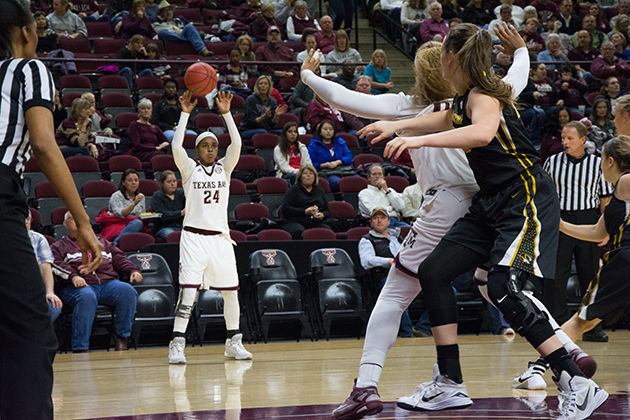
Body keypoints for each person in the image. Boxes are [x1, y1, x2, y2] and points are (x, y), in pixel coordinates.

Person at [303, 27, 597, 419]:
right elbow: (455, 109)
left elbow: (480, 130)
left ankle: (573, 378)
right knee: (444, 274)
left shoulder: (477, 96)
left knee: (481, 288)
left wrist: (310, 76)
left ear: (451, 59)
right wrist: (399, 127)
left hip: (505, 197)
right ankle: (457, 380)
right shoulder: (461, 100)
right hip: (486, 202)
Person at [0, 2, 101, 417]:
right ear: (25, 32)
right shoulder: (28, 68)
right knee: (30, 330)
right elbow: (43, 143)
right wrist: (82, 220)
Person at [168, 90, 252, 363]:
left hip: (220, 239)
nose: (210, 149)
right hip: (193, 237)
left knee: (231, 291)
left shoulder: (224, 169)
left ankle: (234, 341)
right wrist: (185, 114)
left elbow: (237, 144)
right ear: (197, 150)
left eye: (213, 146)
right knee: (188, 292)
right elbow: (176, 147)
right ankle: (177, 343)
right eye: (205, 146)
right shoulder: (189, 169)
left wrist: (227, 114)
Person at [558, 135, 630, 356]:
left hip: (624, 262)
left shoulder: (627, 180)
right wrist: (558, 224)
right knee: (586, 321)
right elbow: (598, 232)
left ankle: (539, 367)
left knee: (581, 320)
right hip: (622, 260)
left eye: (601, 159)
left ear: (610, 161)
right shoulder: (619, 191)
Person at [543, 121, 612, 330]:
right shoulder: (551, 162)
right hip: (560, 220)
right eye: (563, 137)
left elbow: (605, 198)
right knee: (556, 273)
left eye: (570, 138)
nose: (565, 142)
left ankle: (591, 325)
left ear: (583, 140)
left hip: (589, 219)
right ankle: (557, 324)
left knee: (589, 273)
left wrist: (606, 228)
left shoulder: (596, 163)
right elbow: (545, 195)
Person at [53, 211, 142, 352]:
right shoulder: (59, 246)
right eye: (72, 219)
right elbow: (56, 264)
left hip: (108, 283)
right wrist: (73, 276)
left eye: (80, 218)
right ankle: (80, 347)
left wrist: (133, 270)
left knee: (127, 291)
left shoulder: (102, 242)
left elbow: (120, 258)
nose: (77, 221)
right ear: (65, 224)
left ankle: (121, 338)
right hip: (77, 287)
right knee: (87, 296)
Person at [358, 207, 412, 337]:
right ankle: (407, 332)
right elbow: (367, 261)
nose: (379, 221)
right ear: (371, 222)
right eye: (375, 218)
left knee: (443, 289)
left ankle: (424, 327)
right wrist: (388, 261)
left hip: (406, 274)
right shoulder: (367, 240)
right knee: (399, 291)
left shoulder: (398, 237)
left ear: (388, 221)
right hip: (383, 276)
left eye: (382, 218)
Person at [26, 210, 62, 322]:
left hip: (34, 291)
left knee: (53, 308)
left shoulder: (38, 239)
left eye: (27, 219)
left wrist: (49, 292)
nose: (24, 222)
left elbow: (45, 267)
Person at [280, 164, 331, 238]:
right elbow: (285, 208)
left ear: (315, 177)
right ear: (300, 177)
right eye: (305, 173)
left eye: (311, 174)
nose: (308, 176)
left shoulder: (320, 191)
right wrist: (304, 211)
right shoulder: (294, 190)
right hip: (295, 221)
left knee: (327, 231)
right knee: (299, 232)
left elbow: (327, 211)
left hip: (315, 222)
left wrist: (322, 215)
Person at [306, 119, 353, 192]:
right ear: (320, 131)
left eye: (331, 129)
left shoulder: (339, 142)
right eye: (325, 129)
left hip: (343, 170)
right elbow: (311, 164)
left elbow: (349, 157)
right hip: (326, 172)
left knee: (360, 180)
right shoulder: (314, 145)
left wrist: (338, 162)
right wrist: (325, 165)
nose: (328, 131)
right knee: (336, 182)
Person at [358, 163, 409, 228]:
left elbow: (401, 206)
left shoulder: (390, 190)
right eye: (374, 174)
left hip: (396, 221)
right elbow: (375, 212)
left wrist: (387, 190)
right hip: (378, 223)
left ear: (383, 177)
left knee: (414, 232)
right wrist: (391, 208)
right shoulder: (364, 193)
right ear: (369, 178)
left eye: (380, 174)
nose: (377, 176)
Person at [108, 169, 146, 245]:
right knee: (137, 223)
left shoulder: (141, 196)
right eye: (130, 180)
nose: (133, 183)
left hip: (135, 225)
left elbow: (142, 214)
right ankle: (115, 245)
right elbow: (120, 214)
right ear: (123, 183)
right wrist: (134, 203)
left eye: (136, 180)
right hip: (118, 224)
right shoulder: (117, 196)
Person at [151, 170, 185, 239]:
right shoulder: (157, 196)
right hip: (164, 227)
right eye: (169, 182)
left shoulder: (181, 193)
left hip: (182, 226)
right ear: (162, 183)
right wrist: (180, 213)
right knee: (173, 236)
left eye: (174, 181)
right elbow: (162, 215)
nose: (172, 184)